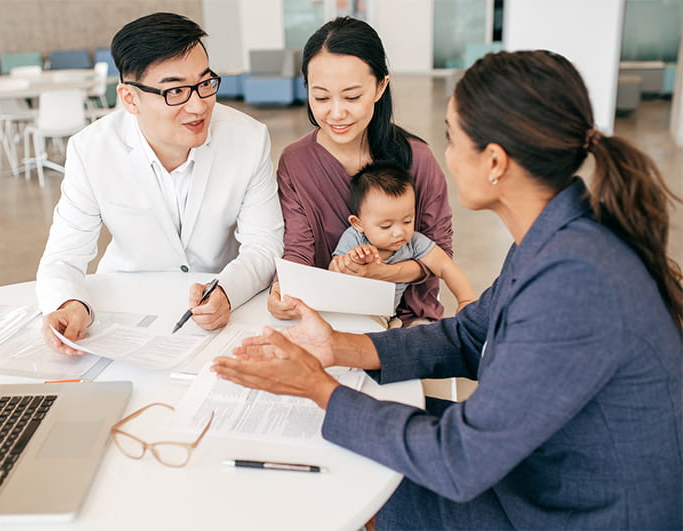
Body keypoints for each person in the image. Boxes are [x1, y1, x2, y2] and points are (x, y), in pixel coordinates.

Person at [213, 50, 683, 529]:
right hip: (544, 470)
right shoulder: (557, 238)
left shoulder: (574, 284)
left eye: (452, 139)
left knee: (351, 466)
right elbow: (466, 335)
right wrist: (338, 347)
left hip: (572, 511)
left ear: (495, 160)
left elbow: (459, 462)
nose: (447, 158)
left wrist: (320, 388)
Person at [36, 12, 283, 355]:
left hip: (214, 306)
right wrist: (70, 303)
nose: (198, 106)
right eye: (176, 91)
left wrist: (226, 290)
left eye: (205, 83)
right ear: (130, 99)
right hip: (126, 306)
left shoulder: (248, 138)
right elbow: (64, 255)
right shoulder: (91, 149)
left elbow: (265, 243)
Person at [267, 17, 453, 326]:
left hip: (408, 316)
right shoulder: (295, 162)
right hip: (330, 313)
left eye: (352, 97)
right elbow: (298, 248)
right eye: (321, 97)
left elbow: (439, 253)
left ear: (381, 87)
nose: (336, 113)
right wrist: (280, 287)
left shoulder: (417, 159)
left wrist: (380, 273)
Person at [332, 160, 475, 319]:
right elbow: (333, 272)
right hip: (346, 314)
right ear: (358, 223)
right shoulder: (355, 238)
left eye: (407, 221)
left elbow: (445, 266)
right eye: (386, 226)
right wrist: (352, 260)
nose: (399, 233)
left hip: (384, 319)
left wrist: (466, 299)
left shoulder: (414, 243)